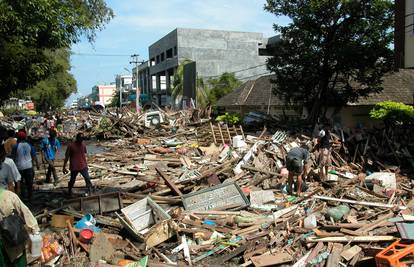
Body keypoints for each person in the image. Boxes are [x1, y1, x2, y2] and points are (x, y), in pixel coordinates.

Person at [0, 188, 40, 267]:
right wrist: (34, 229)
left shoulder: (9, 196)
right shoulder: (9, 196)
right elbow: (26, 212)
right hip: (14, 240)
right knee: (19, 262)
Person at [12, 131, 39, 202]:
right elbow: (34, 156)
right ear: (25, 138)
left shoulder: (15, 146)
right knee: (29, 183)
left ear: (18, 138)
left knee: (21, 183)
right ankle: (30, 197)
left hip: (19, 167)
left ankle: (23, 197)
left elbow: (13, 157)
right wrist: (36, 165)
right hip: (28, 166)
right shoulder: (29, 145)